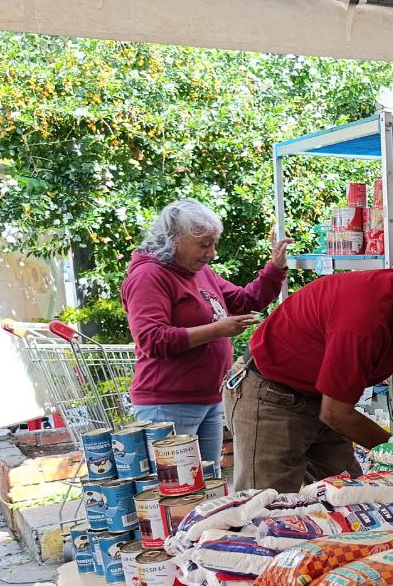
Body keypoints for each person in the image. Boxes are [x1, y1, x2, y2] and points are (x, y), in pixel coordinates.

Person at [225, 254, 393, 492]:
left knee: (352, 499)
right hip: (272, 397)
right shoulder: (366, 318)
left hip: (320, 400)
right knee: (267, 509)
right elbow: (336, 414)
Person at [121, 199, 290, 474]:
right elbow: (152, 339)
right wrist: (218, 329)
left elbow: (245, 300)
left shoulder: (199, 272)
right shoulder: (149, 276)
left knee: (207, 486)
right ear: (175, 239)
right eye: (204, 245)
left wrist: (274, 269)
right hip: (167, 403)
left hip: (209, 398)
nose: (212, 253)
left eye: (214, 244)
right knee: (177, 489)